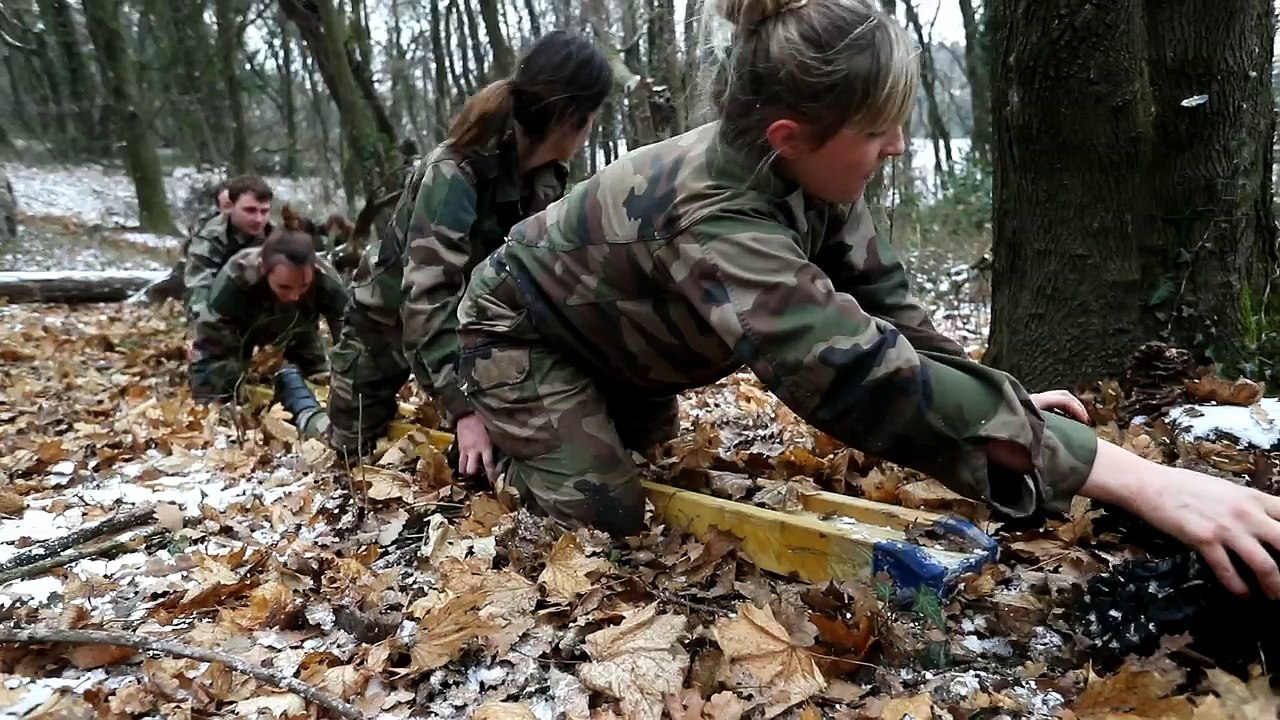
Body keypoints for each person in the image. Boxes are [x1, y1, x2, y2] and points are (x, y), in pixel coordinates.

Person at [453, 0, 1280, 600]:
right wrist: (1136, 480)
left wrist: (1012, 411)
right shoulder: (714, 216)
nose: (900, 146)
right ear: (790, 135)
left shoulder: (806, 169)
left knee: (642, 450)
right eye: (880, 130)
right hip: (522, 332)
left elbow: (891, 311)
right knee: (611, 517)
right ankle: (511, 415)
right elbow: (857, 376)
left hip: (627, 351)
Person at [325, 30, 612, 465]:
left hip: (474, 321)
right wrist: (464, 410)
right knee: (350, 450)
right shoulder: (455, 172)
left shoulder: (550, 177)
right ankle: (300, 398)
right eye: (593, 115)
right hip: (385, 323)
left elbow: (542, 274)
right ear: (572, 117)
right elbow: (424, 300)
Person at [189, 223, 348, 402]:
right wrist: (210, 389)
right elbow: (211, 337)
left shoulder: (327, 280)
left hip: (300, 331)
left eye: (304, 286)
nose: (295, 295)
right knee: (218, 387)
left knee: (319, 385)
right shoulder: (237, 275)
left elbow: (350, 336)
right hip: (242, 331)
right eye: (285, 286)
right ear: (264, 268)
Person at [184, 175, 276, 321]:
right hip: (223, 311)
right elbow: (198, 292)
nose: (259, 219)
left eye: (264, 211)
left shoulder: (275, 237)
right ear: (231, 207)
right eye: (250, 210)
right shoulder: (210, 238)